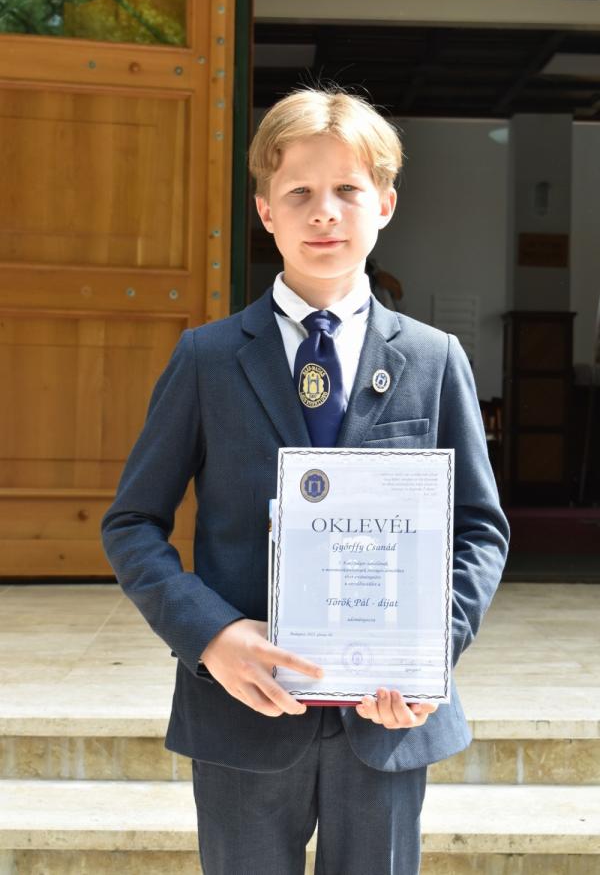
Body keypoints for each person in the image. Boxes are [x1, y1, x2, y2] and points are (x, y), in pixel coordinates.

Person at [101, 85, 509, 875]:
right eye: (299, 193)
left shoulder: (433, 360)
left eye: (347, 190)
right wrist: (211, 636)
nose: (325, 213)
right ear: (265, 211)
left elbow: (479, 530)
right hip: (242, 711)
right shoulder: (207, 360)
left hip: (387, 716)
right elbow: (132, 524)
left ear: (385, 204)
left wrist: (431, 651)